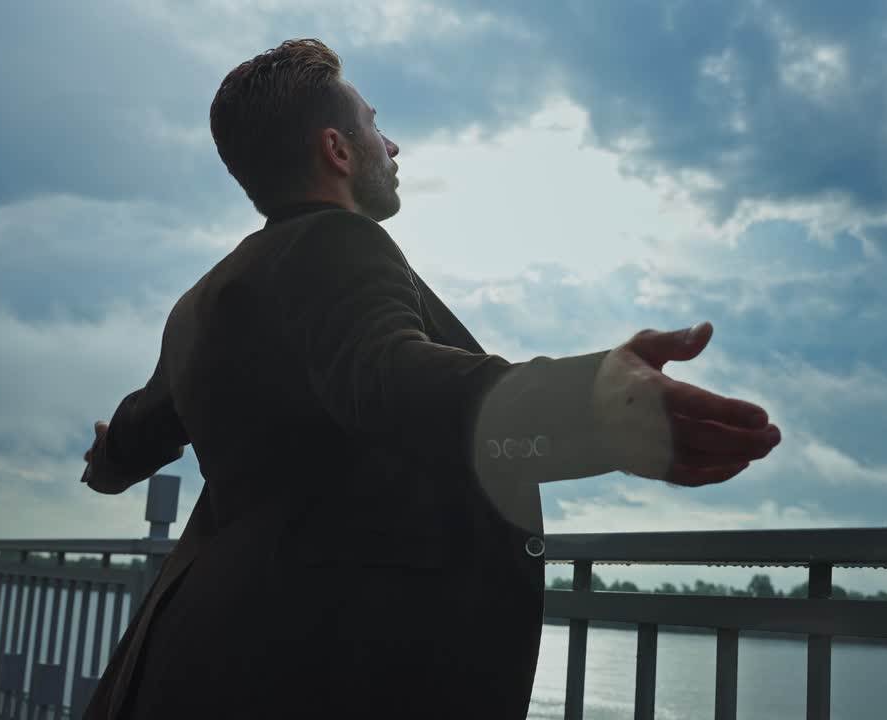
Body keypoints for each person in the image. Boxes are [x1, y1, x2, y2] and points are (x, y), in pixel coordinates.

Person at [80, 38, 781, 719]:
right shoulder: (339, 242)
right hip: (307, 670)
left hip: (182, 654)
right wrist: (591, 408)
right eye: (375, 127)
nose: (393, 148)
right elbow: (387, 377)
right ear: (337, 149)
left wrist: (106, 459)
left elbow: (140, 429)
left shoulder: (202, 302)